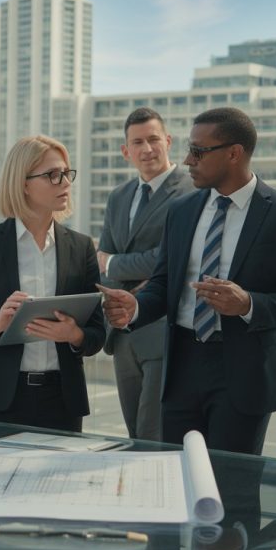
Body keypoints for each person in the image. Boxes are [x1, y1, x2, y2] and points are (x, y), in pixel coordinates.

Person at [99, 107, 276, 454]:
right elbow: (162, 284)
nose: (188, 160)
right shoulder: (182, 211)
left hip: (244, 372)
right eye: (189, 149)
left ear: (234, 153)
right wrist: (136, 306)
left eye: (199, 152)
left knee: (233, 490)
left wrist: (248, 304)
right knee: (175, 482)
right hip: (181, 365)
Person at [0, 135, 105, 433]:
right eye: (52, 175)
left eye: (66, 173)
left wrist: (74, 335)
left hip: (63, 401)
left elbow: (98, 334)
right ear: (23, 183)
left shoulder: (82, 247)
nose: (65, 183)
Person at [97, 107, 194, 441]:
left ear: (168, 141)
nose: (147, 149)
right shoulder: (118, 197)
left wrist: (114, 264)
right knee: (134, 433)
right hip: (122, 335)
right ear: (126, 151)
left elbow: (167, 258)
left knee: (155, 437)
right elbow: (101, 259)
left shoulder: (190, 192)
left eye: (154, 139)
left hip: (163, 332)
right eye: (137, 142)